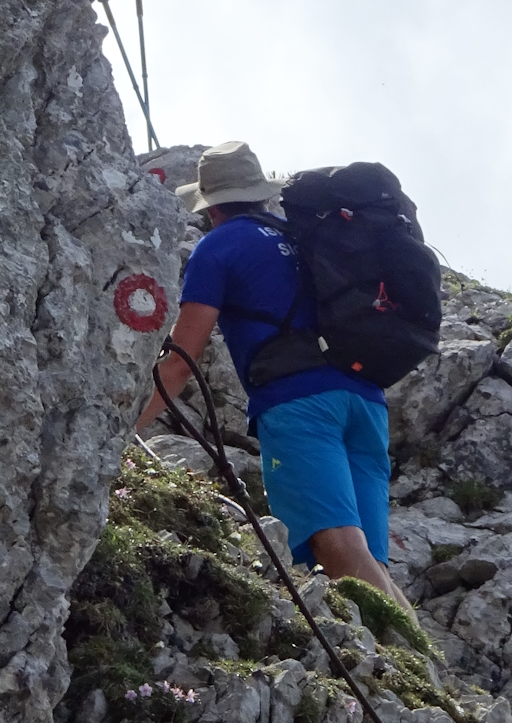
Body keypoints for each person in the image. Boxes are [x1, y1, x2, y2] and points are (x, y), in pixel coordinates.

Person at [137, 141, 414, 611]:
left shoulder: (218, 246)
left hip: (299, 404)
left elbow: (182, 360)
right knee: (368, 561)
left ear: (211, 207)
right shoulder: (307, 235)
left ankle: (406, 671)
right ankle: (431, 676)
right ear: (261, 194)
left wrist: (125, 428)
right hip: (365, 400)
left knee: (340, 550)